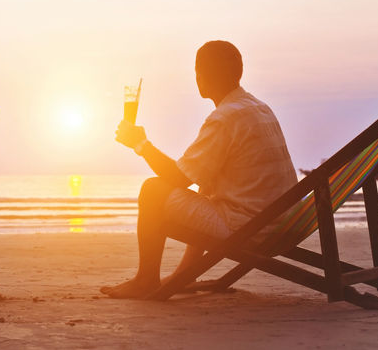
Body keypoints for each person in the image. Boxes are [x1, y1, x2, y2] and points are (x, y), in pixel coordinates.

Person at [102, 40, 297, 299]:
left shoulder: (224, 118)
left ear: (204, 75)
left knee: (152, 190)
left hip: (250, 228)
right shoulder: (258, 107)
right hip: (283, 222)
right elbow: (196, 179)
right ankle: (185, 273)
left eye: (197, 70)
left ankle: (146, 280)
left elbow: (178, 179)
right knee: (206, 188)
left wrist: (140, 144)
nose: (196, 77)